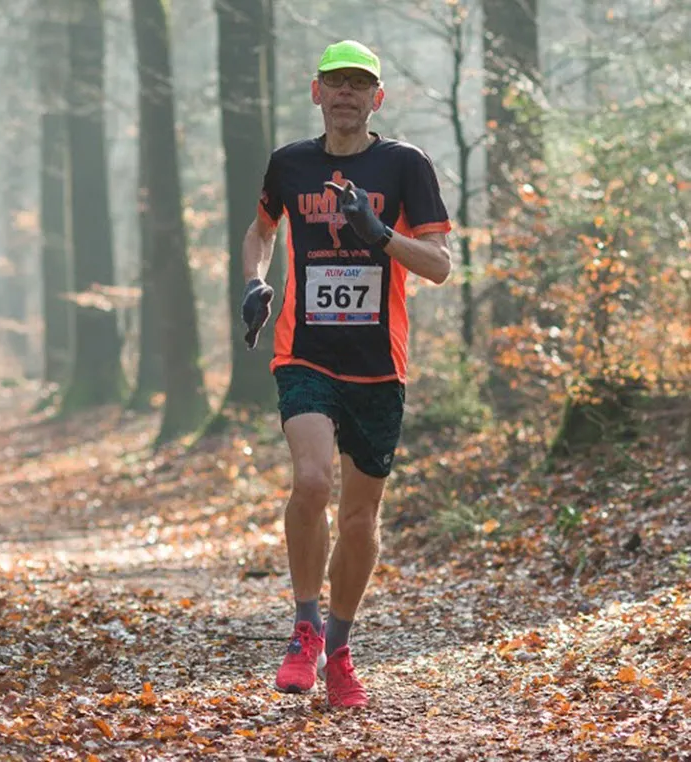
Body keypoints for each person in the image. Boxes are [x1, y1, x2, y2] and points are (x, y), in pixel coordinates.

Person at [239, 40, 452, 708]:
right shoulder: (291, 164)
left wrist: (380, 235)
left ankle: (340, 648)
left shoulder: (404, 166)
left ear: (376, 99)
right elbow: (261, 230)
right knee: (310, 479)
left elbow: (441, 264)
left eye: (360, 85)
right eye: (336, 83)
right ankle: (304, 627)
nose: (347, 95)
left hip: (378, 365)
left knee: (360, 519)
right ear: (317, 92)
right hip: (304, 352)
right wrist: (254, 281)